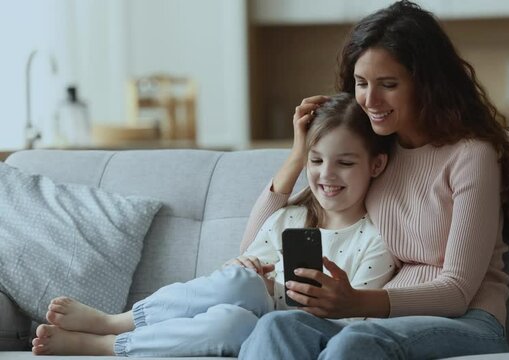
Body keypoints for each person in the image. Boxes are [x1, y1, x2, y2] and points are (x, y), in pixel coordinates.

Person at [238, 1, 509, 359]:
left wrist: (356, 301)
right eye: (361, 83)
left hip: (468, 322)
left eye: (388, 84)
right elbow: (251, 246)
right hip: (377, 321)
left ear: (426, 84)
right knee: (277, 326)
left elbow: (458, 290)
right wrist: (299, 156)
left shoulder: (471, 156)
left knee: (356, 342)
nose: (370, 99)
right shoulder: (378, 154)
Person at [31, 93, 398, 357]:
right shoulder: (291, 218)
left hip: (291, 333)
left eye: (345, 163)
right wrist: (247, 268)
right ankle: (120, 321)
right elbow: (237, 271)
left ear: (376, 165)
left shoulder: (377, 237)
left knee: (233, 325)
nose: (326, 175)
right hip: (251, 308)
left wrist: (291, 294)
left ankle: (107, 345)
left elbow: (357, 318)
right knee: (241, 289)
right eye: (316, 160)